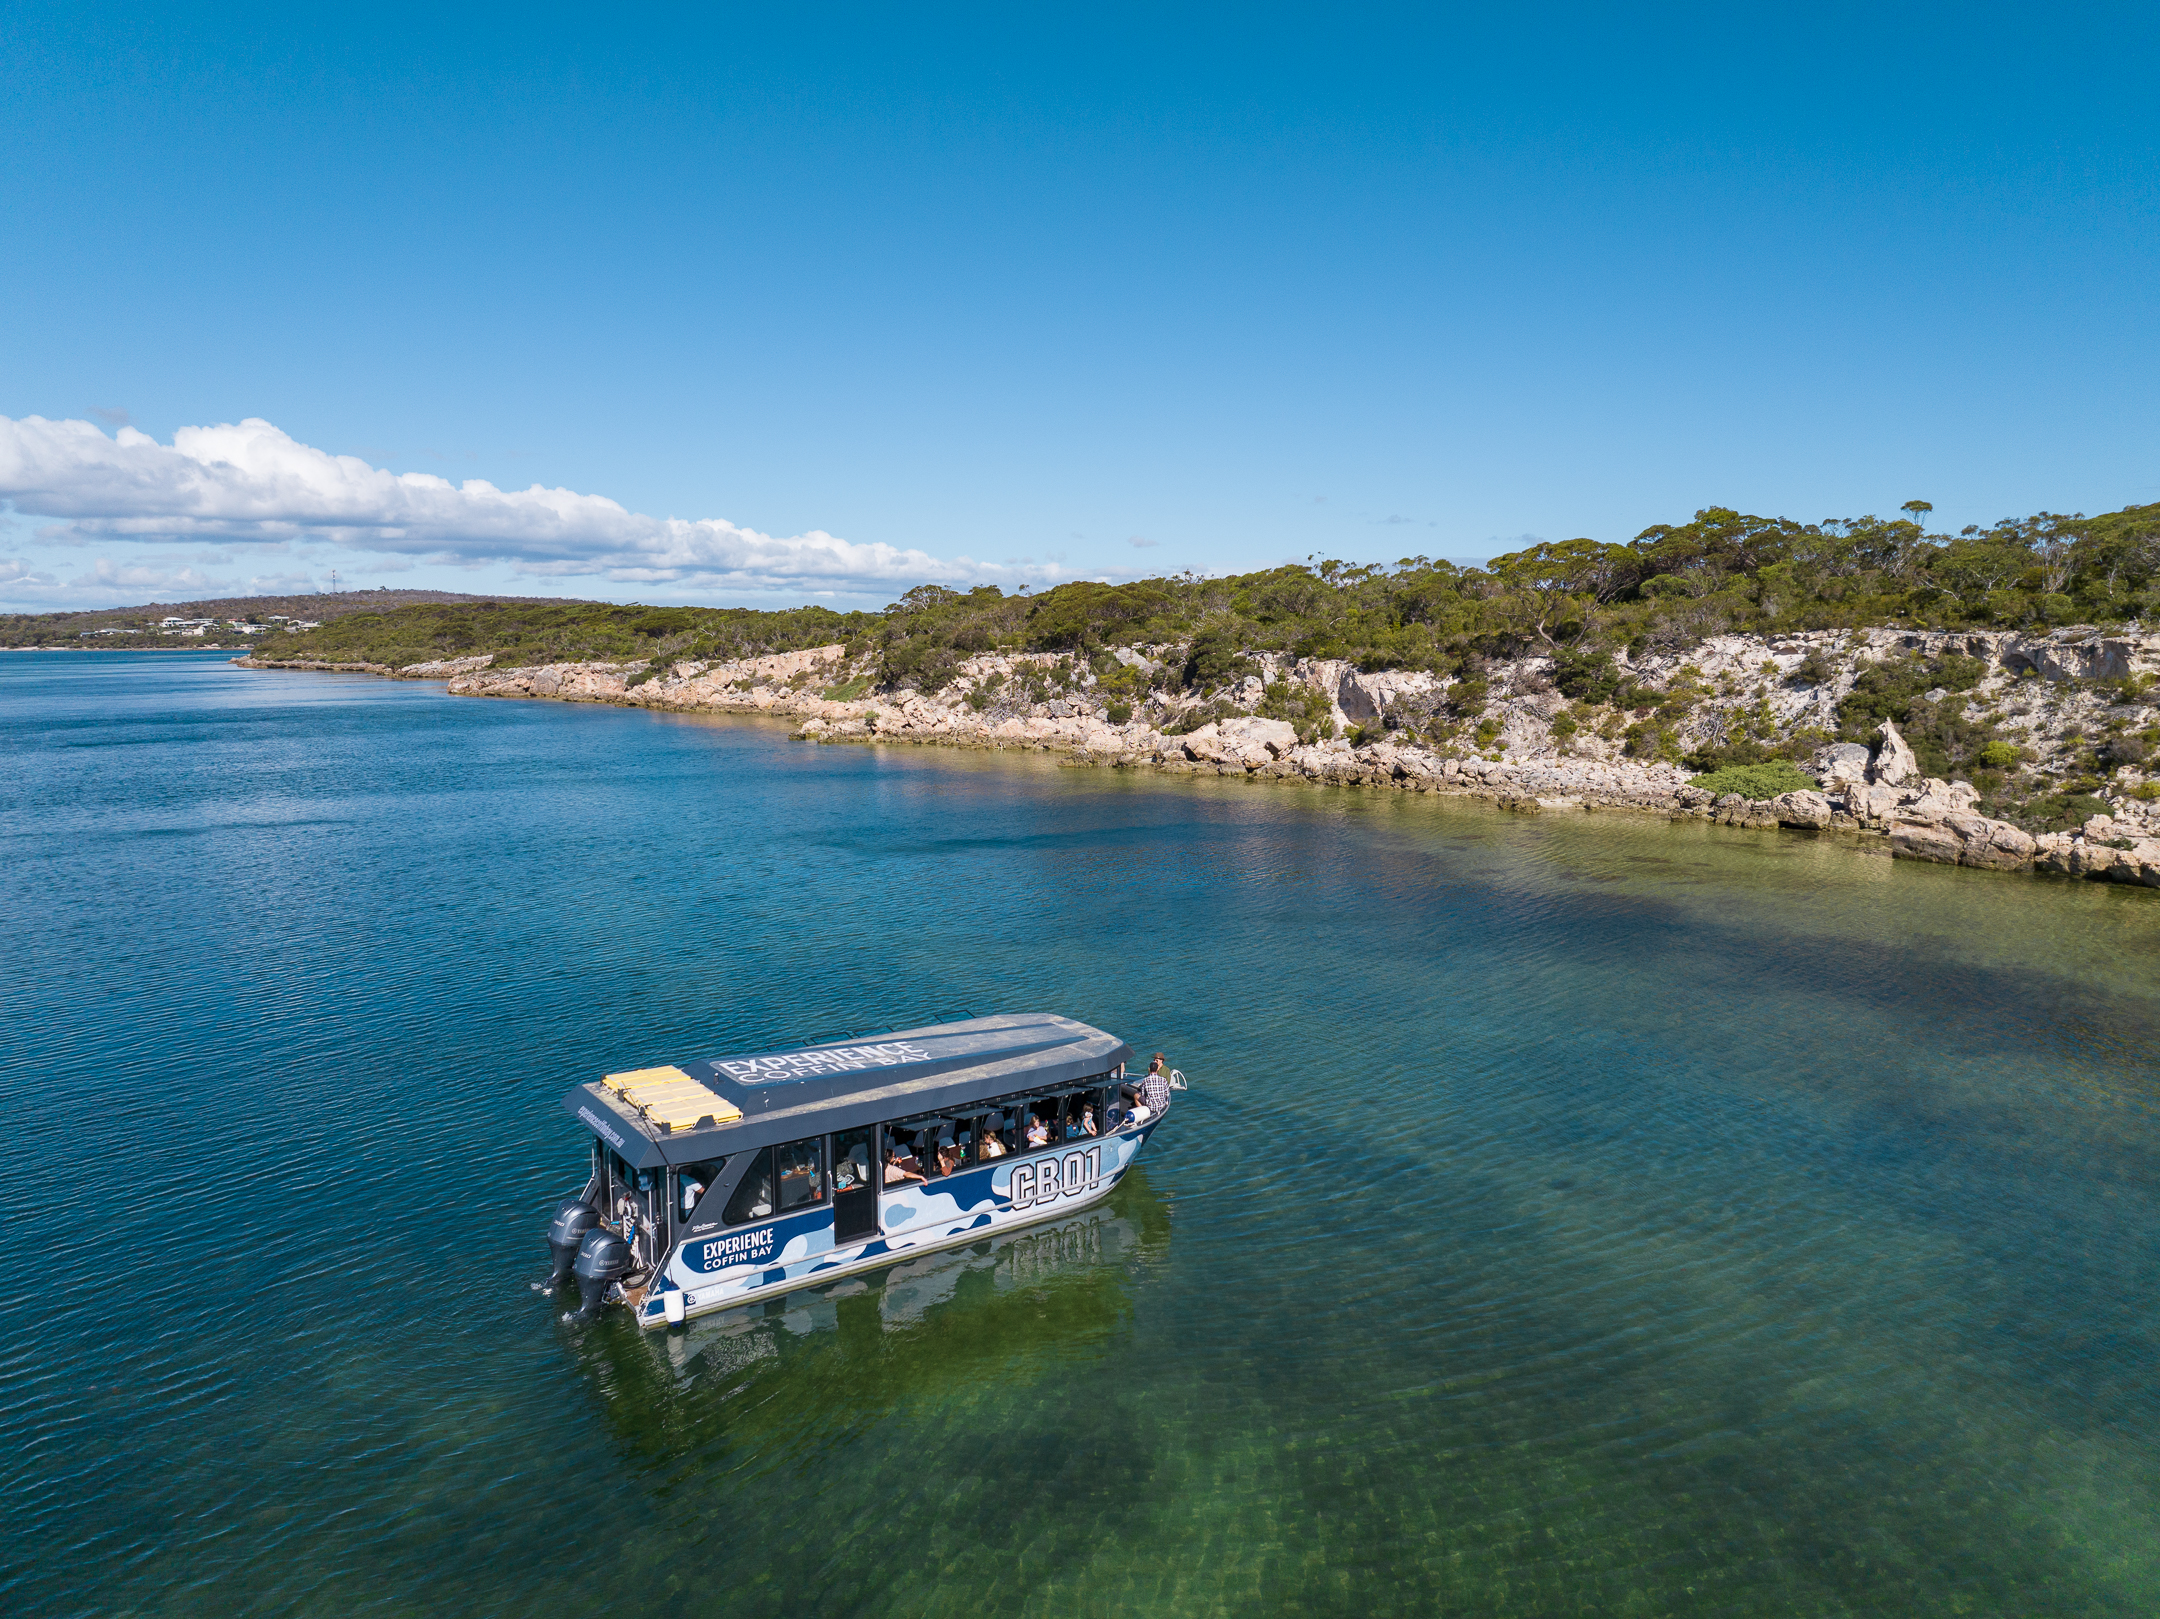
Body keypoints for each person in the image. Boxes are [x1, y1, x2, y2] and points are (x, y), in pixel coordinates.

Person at [1140, 1053, 1173, 1117]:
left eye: (1156, 1060)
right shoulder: (1152, 1068)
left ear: (1161, 1060)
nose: (1155, 1061)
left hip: (1160, 1091)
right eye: (1154, 1060)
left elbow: (1167, 1082)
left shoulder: (1166, 1070)